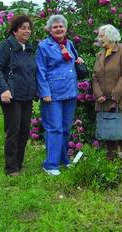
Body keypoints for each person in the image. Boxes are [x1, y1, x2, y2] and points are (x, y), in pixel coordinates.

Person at [36, 15, 85, 176]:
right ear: (50, 30)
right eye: (55, 27)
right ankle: (50, 164)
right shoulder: (44, 46)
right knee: (54, 128)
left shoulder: (69, 44)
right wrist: (45, 93)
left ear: (65, 28)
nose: (58, 29)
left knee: (65, 128)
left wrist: (79, 60)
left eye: (61, 26)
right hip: (53, 94)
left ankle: (63, 161)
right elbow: (40, 71)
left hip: (70, 92)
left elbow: (74, 61)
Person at [0, 15, 37, 176]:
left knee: (24, 130)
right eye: (23, 28)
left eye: (29, 28)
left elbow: (31, 71)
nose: (27, 31)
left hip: (27, 96)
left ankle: (19, 163)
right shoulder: (7, 46)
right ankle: (11, 167)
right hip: (11, 96)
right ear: (15, 30)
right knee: (13, 130)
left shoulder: (29, 48)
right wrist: (4, 89)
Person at [93, 24, 122, 170]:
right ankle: (111, 164)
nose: (99, 38)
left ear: (110, 35)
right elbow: (95, 77)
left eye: (101, 36)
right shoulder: (100, 54)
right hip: (103, 101)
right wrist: (98, 95)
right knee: (108, 132)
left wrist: (114, 96)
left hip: (121, 100)